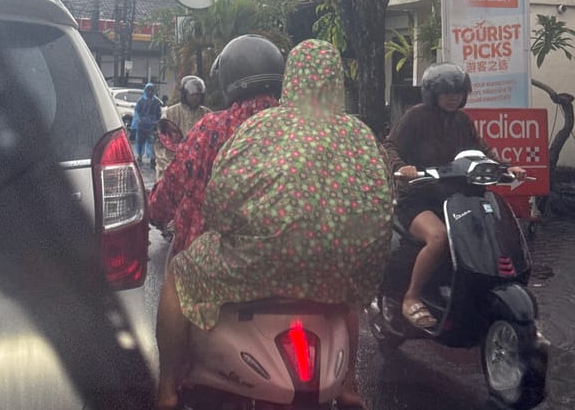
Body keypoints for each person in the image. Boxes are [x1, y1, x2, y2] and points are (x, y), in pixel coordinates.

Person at [155, 39, 393, 410]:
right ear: (336, 82)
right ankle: (349, 384)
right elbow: (381, 197)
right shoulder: (359, 134)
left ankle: (168, 387)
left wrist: (225, 230)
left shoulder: (260, 126)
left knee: (179, 275)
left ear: (292, 79)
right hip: (332, 267)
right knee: (346, 299)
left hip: (256, 267)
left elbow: (223, 193)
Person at [383, 61, 527, 331]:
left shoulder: (463, 121)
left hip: (455, 199)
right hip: (418, 199)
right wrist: (401, 168)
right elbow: (390, 145)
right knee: (439, 238)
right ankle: (411, 297)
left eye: (458, 92)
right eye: (446, 91)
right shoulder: (416, 117)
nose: (453, 97)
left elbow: (482, 151)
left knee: (485, 235)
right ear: (432, 93)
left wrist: (507, 167)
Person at [148, 34, 285, 254]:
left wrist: (155, 211)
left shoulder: (213, 127)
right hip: (284, 256)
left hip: (212, 257)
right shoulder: (297, 129)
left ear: (229, 79)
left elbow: (174, 183)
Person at [154, 76, 210, 180]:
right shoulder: (171, 113)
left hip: (198, 167)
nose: (195, 97)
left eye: (198, 95)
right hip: (172, 164)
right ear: (185, 95)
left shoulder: (207, 114)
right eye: (192, 94)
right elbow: (163, 143)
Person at [131, 82, 162, 166]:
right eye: (148, 90)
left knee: (152, 142)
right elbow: (137, 112)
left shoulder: (156, 101)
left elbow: (159, 113)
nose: (150, 92)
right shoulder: (141, 101)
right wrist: (138, 120)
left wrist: (157, 122)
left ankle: (152, 158)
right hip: (142, 125)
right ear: (145, 90)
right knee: (140, 142)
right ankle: (140, 156)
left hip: (152, 125)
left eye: (151, 90)